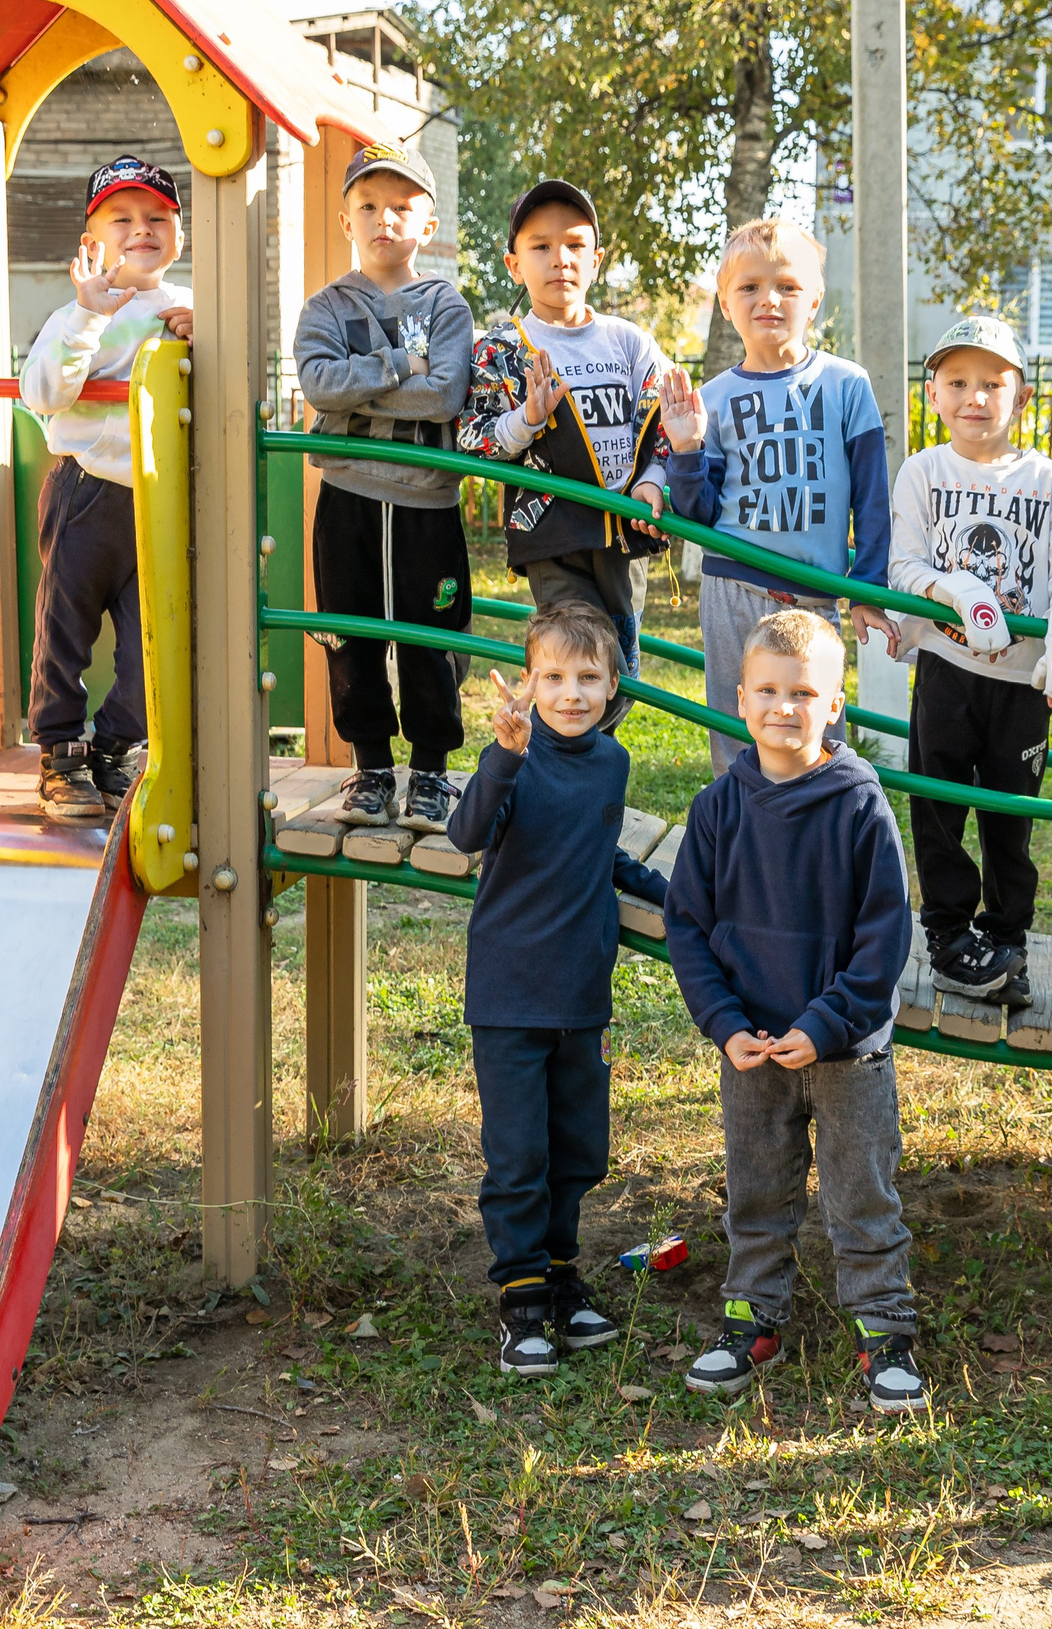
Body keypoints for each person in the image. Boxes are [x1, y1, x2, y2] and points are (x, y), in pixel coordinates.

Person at [663, 610, 924, 1413]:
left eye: (803, 691)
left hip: (845, 1053)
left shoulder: (858, 805)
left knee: (861, 1192)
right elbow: (689, 927)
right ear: (740, 699)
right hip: (752, 1047)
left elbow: (885, 936)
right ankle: (753, 1319)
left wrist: (825, 1025)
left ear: (835, 704)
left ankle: (884, 1330)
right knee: (757, 1189)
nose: (785, 706)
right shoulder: (718, 809)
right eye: (769, 691)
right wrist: (724, 1024)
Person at [446, 601, 670, 1375]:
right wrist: (503, 756)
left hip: (582, 995)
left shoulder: (611, 762)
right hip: (510, 994)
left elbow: (599, 853)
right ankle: (522, 1303)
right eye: (553, 676)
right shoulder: (512, 753)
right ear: (530, 683)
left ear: (614, 684)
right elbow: (466, 834)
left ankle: (561, 1274)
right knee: (519, 1155)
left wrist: (675, 895)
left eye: (588, 676)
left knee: (578, 1149)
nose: (571, 693)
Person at [887, 315, 1052, 1006]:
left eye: (992, 383)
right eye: (958, 383)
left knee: (1011, 814)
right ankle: (947, 934)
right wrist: (955, 588)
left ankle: (1006, 938)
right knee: (939, 806)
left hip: (1020, 680)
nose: (975, 397)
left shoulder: (1046, 481)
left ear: (1023, 396)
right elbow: (904, 564)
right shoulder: (922, 471)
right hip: (947, 671)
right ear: (935, 393)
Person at [658, 218, 897, 775]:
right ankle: (741, 844)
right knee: (739, 732)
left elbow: (872, 496)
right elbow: (698, 513)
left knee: (816, 739)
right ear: (725, 302)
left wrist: (866, 589)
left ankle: (817, 847)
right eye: (749, 287)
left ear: (814, 299)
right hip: (733, 587)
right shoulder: (711, 398)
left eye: (788, 286)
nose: (769, 299)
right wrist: (687, 448)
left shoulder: (847, 384)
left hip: (815, 598)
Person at [294, 141, 478, 833]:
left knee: (432, 637)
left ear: (427, 225)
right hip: (348, 495)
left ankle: (430, 771)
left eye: (402, 207)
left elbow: (444, 396)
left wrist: (354, 399)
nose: (384, 220)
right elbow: (317, 383)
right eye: (367, 206)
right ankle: (371, 767)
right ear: (347, 223)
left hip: (426, 498)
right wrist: (403, 360)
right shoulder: (327, 304)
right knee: (351, 633)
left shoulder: (446, 304)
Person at [18, 156, 192, 823]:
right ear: (91, 242)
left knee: (153, 639)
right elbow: (42, 393)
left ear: (181, 233)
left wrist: (203, 345)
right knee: (66, 627)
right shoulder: (75, 311)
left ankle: (118, 746)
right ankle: (61, 750)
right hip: (87, 494)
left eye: (157, 218)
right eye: (121, 219)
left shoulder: (191, 306)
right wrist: (87, 318)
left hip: (158, 502)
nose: (140, 230)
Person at [456, 180, 671, 704]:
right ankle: (561, 768)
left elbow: (664, 425)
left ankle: (592, 769)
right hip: (552, 537)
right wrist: (526, 420)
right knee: (578, 658)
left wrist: (652, 481)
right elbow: (470, 437)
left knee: (622, 674)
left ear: (596, 260)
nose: (560, 260)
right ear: (514, 265)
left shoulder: (630, 342)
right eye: (541, 247)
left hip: (623, 534)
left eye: (575, 245)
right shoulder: (501, 349)